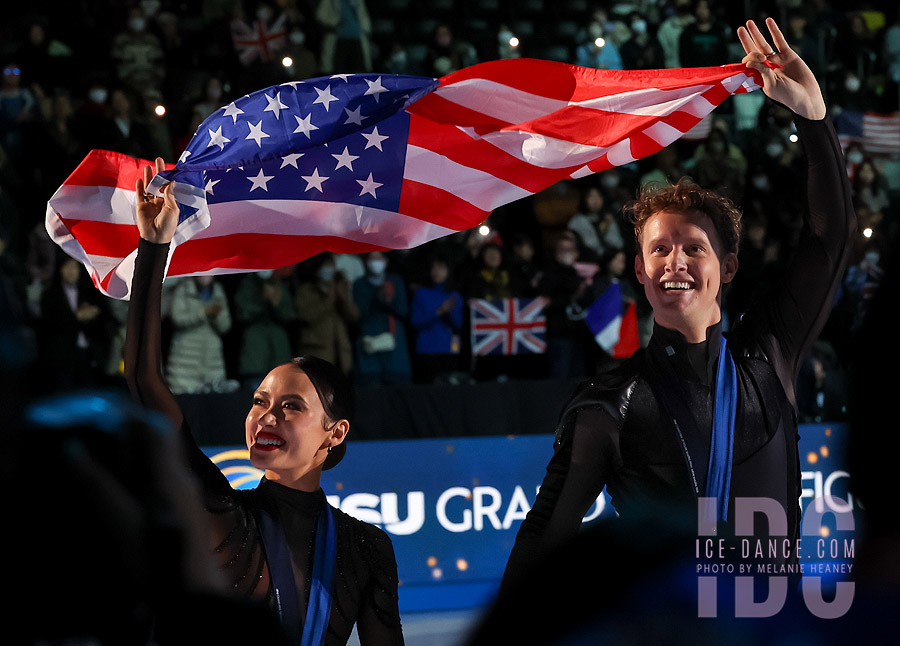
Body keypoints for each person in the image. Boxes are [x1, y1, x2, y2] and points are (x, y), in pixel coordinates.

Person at [502, 18, 855, 590]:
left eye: (695, 247)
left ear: (728, 268)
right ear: (640, 271)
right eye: (659, 249)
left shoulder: (769, 352)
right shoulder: (609, 404)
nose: (675, 261)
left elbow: (829, 242)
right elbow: (546, 535)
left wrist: (812, 118)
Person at [125, 159, 404, 645]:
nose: (266, 416)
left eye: (291, 405)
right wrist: (154, 248)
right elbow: (147, 383)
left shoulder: (368, 547)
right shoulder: (225, 508)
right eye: (259, 401)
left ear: (335, 432)